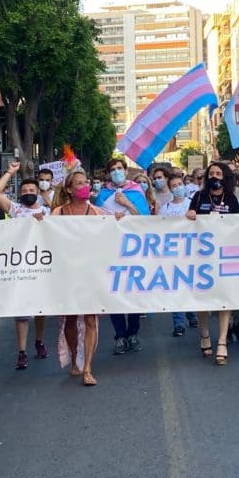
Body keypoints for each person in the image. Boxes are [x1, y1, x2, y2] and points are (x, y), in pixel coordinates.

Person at [188, 162, 239, 364]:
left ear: (225, 177)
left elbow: (236, 225)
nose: (215, 176)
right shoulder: (198, 197)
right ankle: (205, 335)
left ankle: (222, 340)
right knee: (203, 299)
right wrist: (190, 215)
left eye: (219, 173)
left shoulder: (231, 198)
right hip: (202, 256)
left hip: (225, 256)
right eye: (211, 173)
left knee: (226, 296)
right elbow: (189, 222)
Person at [0, 162, 50, 368]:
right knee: (22, 312)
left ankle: (39, 340)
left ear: (38, 193)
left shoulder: (48, 211)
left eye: (32, 190)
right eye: (24, 190)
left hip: (41, 267)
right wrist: (9, 172)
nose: (28, 193)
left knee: (40, 310)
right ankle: (22, 351)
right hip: (19, 268)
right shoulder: (15, 209)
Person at [51, 171, 104, 386]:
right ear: (70, 189)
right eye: (79, 183)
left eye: (86, 182)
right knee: (71, 320)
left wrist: (119, 219)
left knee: (91, 319)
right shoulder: (59, 212)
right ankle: (75, 358)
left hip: (90, 273)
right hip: (67, 274)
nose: (85, 186)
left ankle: (88, 368)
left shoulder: (97, 213)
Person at [96, 156, 150, 353]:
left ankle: (132, 333)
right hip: (112, 250)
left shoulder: (136, 191)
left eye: (120, 168)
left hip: (134, 250)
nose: (117, 172)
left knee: (133, 292)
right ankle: (119, 335)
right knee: (115, 292)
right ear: (109, 174)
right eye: (113, 169)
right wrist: (112, 218)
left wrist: (127, 204)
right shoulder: (103, 194)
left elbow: (144, 218)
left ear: (126, 171)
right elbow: (97, 219)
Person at [158, 173, 199, 336]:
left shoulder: (192, 204)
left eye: (179, 184)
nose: (177, 188)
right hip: (172, 254)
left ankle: (192, 314)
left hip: (190, 252)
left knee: (189, 285)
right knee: (175, 287)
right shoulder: (165, 209)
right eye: (174, 186)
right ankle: (179, 323)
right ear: (170, 188)